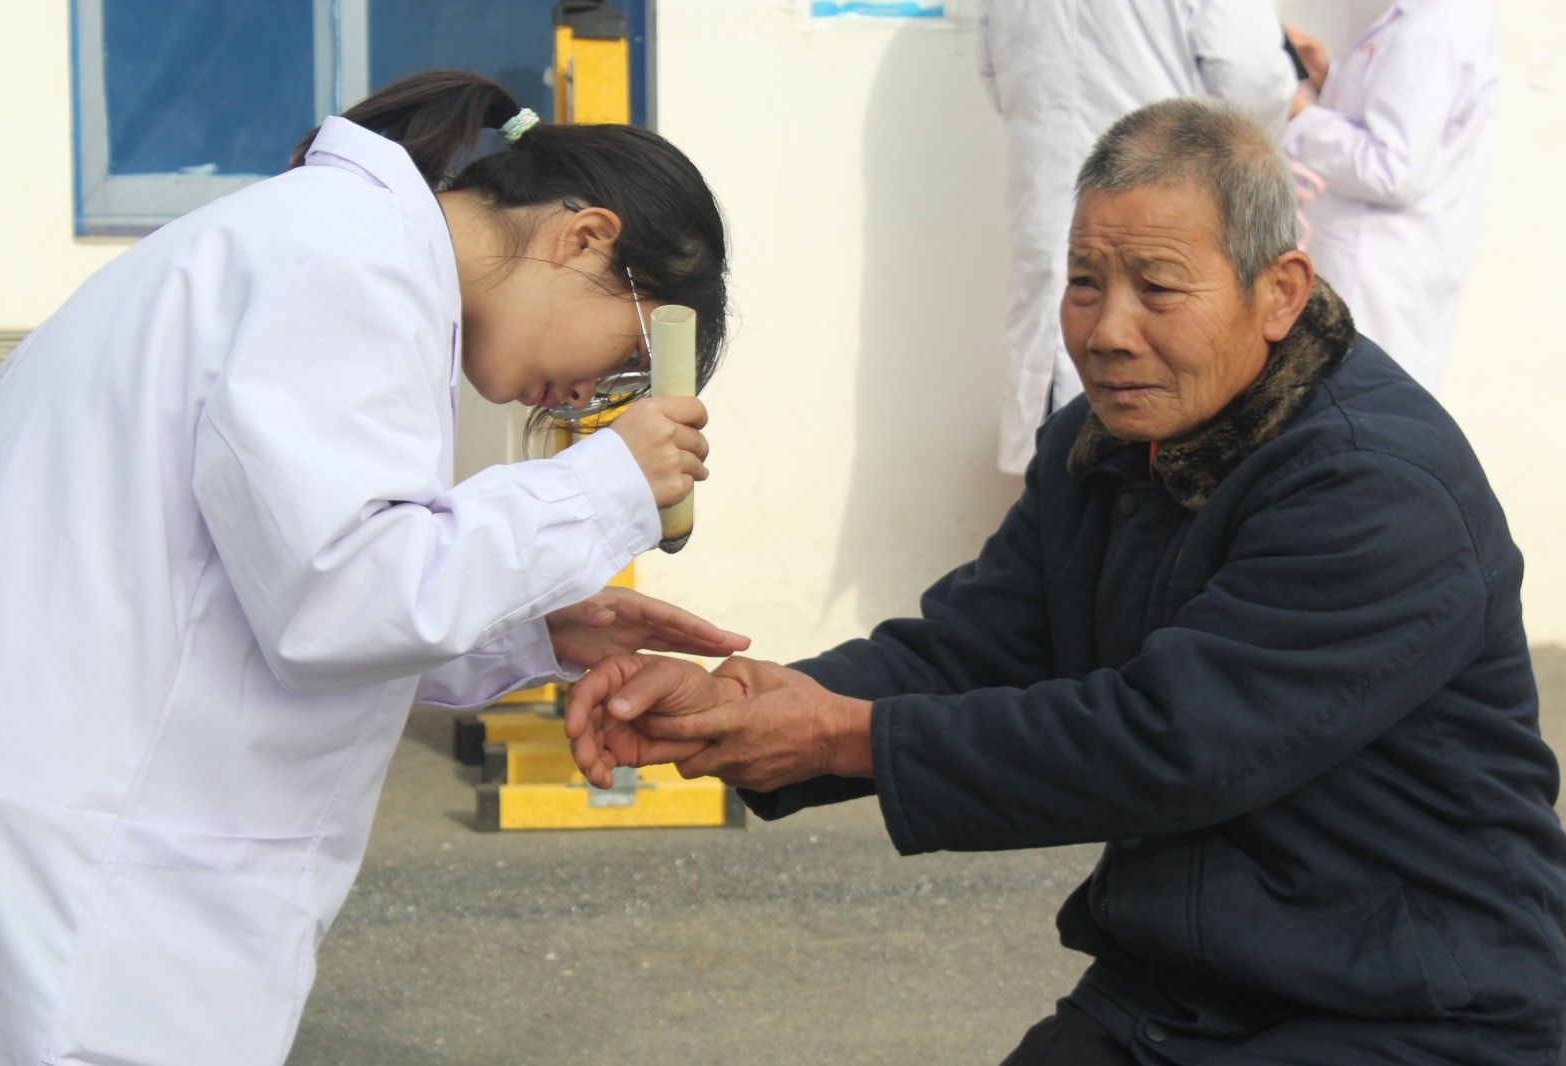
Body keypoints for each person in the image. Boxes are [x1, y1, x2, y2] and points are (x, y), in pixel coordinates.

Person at [567, 100, 1566, 1064]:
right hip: (1177, 996)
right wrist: (745, 704)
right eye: (1085, 282)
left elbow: (1172, 741)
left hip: (1412, 1010)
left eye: (1157, 288)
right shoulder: (1103, 443)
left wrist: (837, 734)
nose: (1107, 330)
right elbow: (976, 648)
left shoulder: (1374, 486)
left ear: (1280, 292)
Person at [0, 70, 749, 1066]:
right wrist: (604, 487)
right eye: (631, 357)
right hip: (102, 872)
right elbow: (338, 598)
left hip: (81, 827)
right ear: (585, 237)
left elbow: (260, 589)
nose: (594, 395)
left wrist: (531, 627)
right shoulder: (352, 268)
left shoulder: (324, 245)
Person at [977, 0, 1298, 475]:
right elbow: (1250, 81)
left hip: (1053, 234)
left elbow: (994, 75)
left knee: (1063, 455)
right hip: (1176, 225)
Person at [1282, 1, 1500, 394]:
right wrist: (1329, 78)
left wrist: (1300, 114)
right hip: (1382, 272)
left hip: (1375, 281)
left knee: (1354, 401)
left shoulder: (1433, 29)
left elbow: (1392, 168)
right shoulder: (1432, 19)